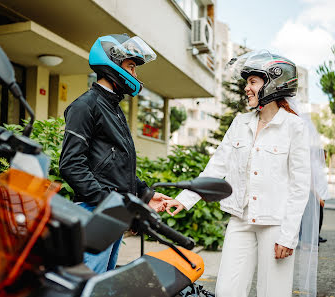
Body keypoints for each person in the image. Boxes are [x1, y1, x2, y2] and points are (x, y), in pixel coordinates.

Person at [166, 51, 314, 297]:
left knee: (273, 293)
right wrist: (183, 199)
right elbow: (216, 167)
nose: (246, 88)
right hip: (240, 219)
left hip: (275, 223)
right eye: (247, 82)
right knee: (227, 290)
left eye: (253, 82)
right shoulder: (240, 123)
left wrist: (288, 236)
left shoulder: (294, 127)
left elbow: (300, 187)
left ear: (274, 84)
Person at [59, 34, 170, 274]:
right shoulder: (85, 106)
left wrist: (145, 195)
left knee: (103, 284)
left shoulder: (113, 108)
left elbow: (115, 166)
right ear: (111, 62)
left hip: (112, 213)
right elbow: (71, 165)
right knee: (89, 284)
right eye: (131, 66)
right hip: (96, 212)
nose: (135, 74)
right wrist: (108, 203)